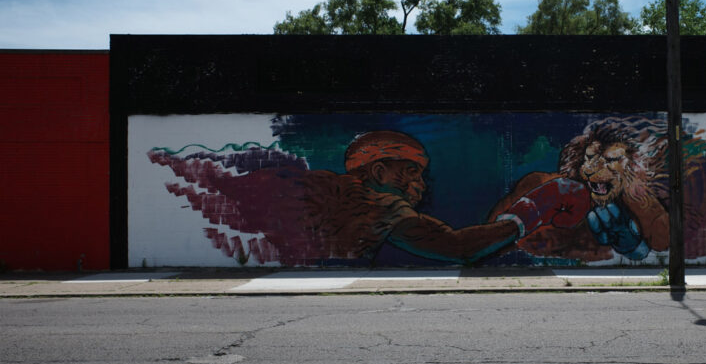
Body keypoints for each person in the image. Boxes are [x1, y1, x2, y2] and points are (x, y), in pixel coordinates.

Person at [150, 130, 590, 266]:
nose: (420, 187)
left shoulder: (322, 188)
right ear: (380, 173)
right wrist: (534, 209)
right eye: (412, 174)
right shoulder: (379, 205)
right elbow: (457, 248)